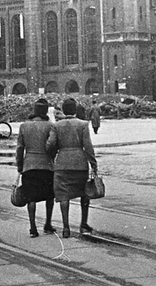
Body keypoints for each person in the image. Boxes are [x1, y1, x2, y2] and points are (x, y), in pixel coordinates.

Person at [46, 98, 98, 238]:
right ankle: (83, 224)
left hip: (62, 163)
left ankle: (66, 227)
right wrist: (93, 163)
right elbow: (88, 146)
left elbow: (51, 144)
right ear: (75, 110)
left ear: (63, 110)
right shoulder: (82, 124)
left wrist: (54, 154)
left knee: (64, 195)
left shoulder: (57, 125)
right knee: (84, 194)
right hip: (80, 163)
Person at [16, 98, 56, 238]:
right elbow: (51, 145)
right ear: (45, 111)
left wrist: (20, 165)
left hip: (29, 165)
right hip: (46, 165)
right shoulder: (50, 125)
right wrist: (51, 156)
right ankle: (48, 224)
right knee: (49, 196)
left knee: (31, 197)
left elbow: (20, 148)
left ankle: (33, 228)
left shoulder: (24, 126)